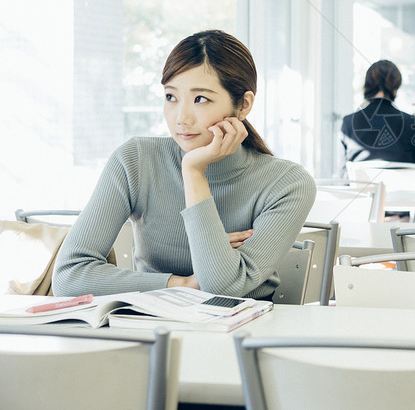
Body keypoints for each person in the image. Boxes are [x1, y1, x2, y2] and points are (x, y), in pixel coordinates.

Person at [54, 30, 316, 300]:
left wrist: (193, 171)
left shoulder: (287, 183)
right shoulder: (135, 160)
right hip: (148, 329)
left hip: (240, 334)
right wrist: (179, 283)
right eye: (171, 97)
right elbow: (68, 277)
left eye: (200, 99)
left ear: (244, 104)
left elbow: (222, 288)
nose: (181, 118)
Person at [340, 59, 415, 173]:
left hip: (361, 190)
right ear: (395, 87)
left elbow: (342, 173)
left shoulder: (348, 122)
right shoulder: (411, 122)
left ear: (367, 86)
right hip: (402, 190)